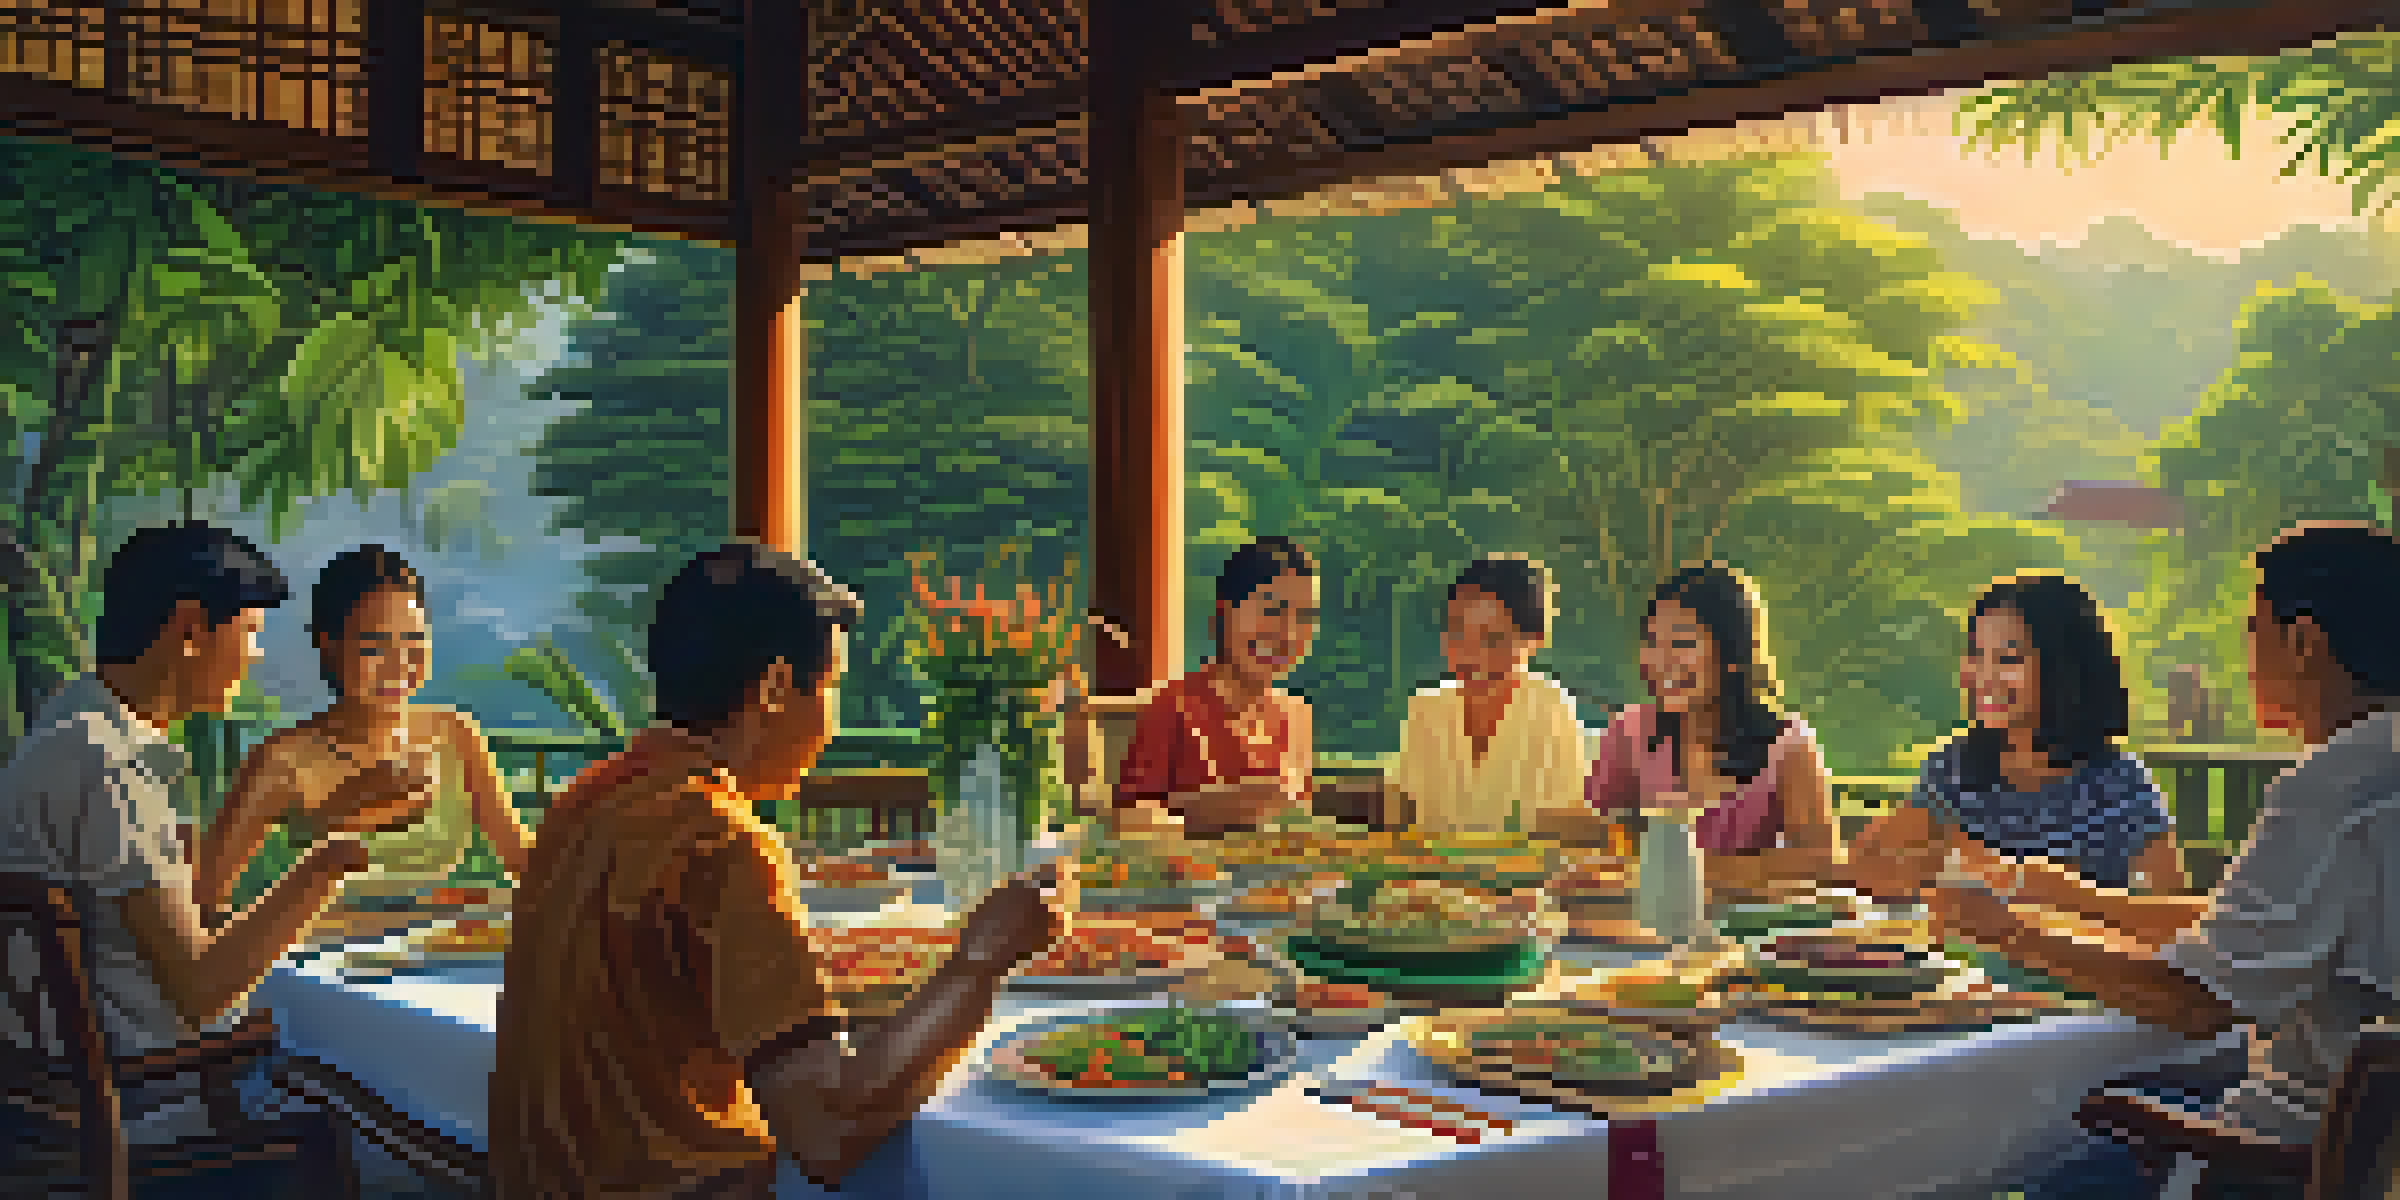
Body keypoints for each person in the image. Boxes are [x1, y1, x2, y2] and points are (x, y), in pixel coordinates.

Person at [490, 542, 1064, 1200]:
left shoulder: (583, 803)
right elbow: (827, 1134)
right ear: (772, 688)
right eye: (832, 688)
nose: (832, 719)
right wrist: (982, 959)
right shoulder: (720, 842)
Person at [1917, 523, 2400, 1200]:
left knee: (2010, 1156)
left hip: (2282, 1163)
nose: (2246, 657)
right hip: (2368, 1158)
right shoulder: (2381, 773)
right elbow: (2245, 926)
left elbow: (2195, 1002)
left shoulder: (2327, 794)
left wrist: (2010, 934)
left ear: (2304, 643)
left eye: (2253, 631)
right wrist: (2081, 901)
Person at [0, 521, 385, 1142]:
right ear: (187, 628)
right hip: (156, 1106)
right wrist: (327, 864)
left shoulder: (68, 737)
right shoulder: (108, 766)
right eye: (251, 633)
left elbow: (176, 923)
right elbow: (202, 989)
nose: (256, 656)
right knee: (380, 1106)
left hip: (54, 1103)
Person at [195, 545, 532, 922]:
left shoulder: (454, 734)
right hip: (310, 956)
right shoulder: (282, 760)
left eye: (414, 641)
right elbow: (203, 898)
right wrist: (325, 819)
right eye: (374, 646)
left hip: (433, 953)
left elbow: (525, 863)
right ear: (329, 644)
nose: (399, 664)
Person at [1850, 574, 2185, 900]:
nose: (1985, 677)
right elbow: (1872, 863)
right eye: (1977, 655)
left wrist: (1974, 860)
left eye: (2009, 659)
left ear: (2064, 667)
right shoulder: (1953, 768)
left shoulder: (2120, 785)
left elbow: (2170, 918)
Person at [1583, 562, 1839, 889]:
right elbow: (1594, 833)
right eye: (1652, 643)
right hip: (1643, 928)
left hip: (1748, 930)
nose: (1661, 662)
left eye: (1681, 644)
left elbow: (1823, 861)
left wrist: (1695, 869)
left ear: (1733, 652)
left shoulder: (1787, 743)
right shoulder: (1630, 732)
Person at [1113, 536, 1319, 837]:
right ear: (1224, 614)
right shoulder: (1174, 706)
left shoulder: (1296, 715)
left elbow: (1298, 833)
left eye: (1304, 618)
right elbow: (1128, 822)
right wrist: (1215, 809)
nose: (1287, 634)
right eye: (1273, 610)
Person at [1387, 554, 1586, 835]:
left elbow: (1567, 833)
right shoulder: (1425, 710)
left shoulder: (1551, 709)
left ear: (1534, 641)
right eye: (1457, 635)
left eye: (1493, 640)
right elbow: (1401, 825)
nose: (1471, 656)